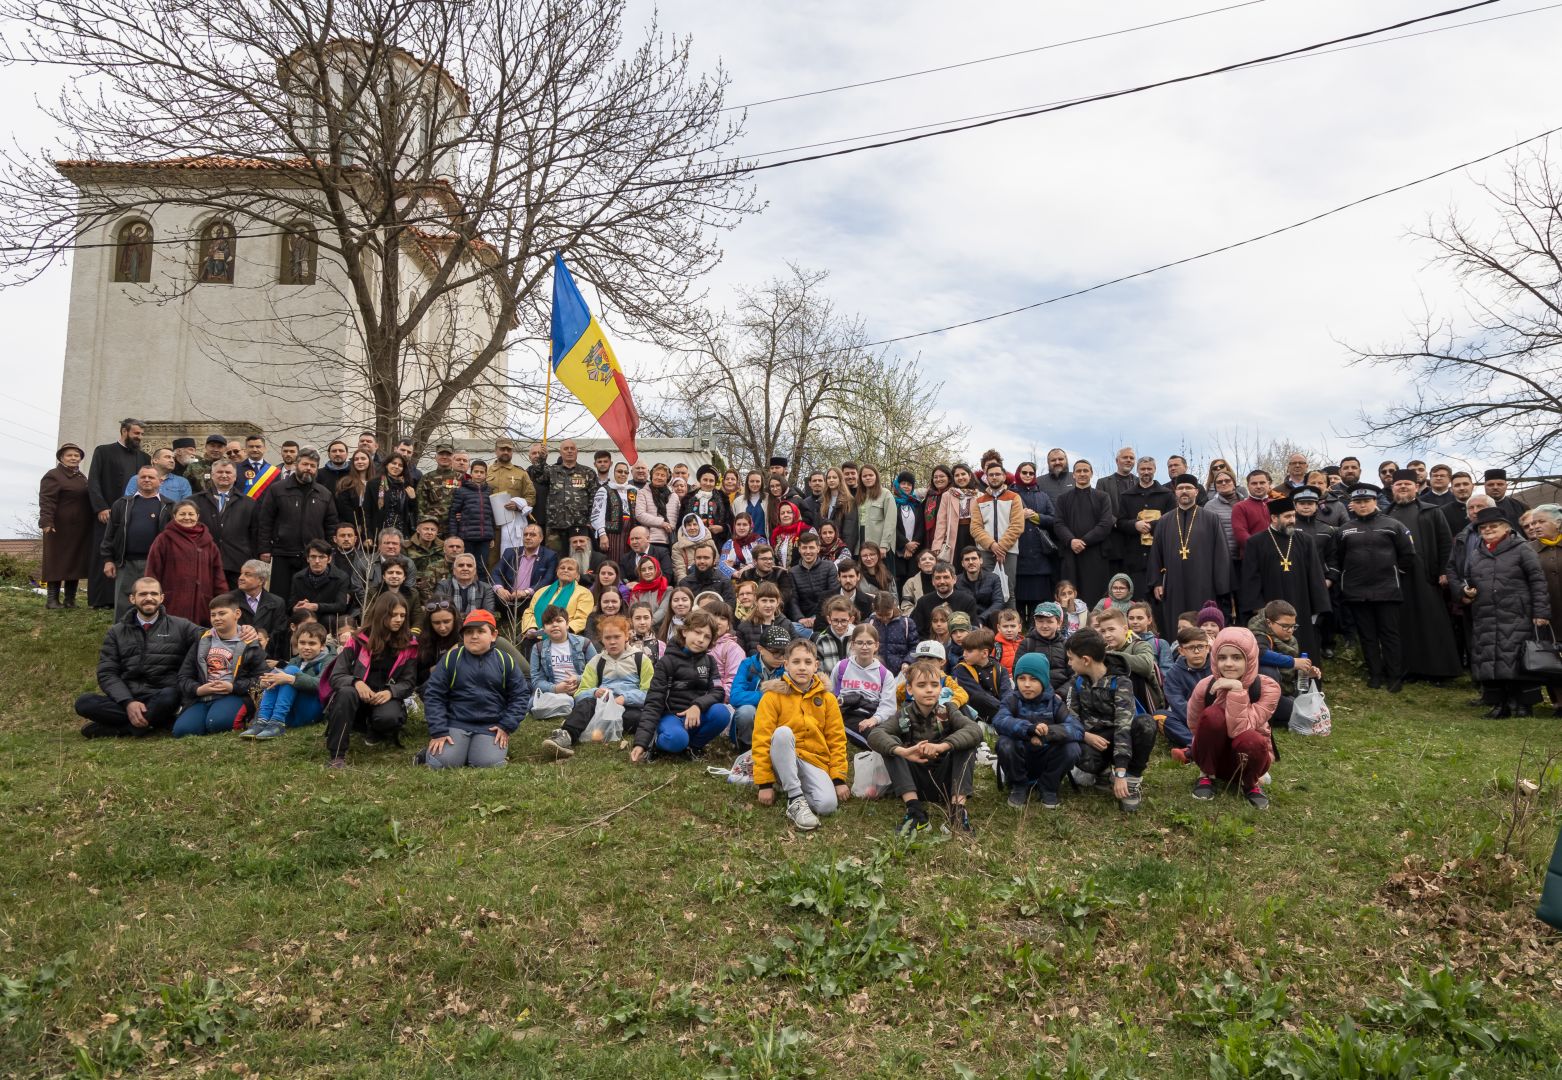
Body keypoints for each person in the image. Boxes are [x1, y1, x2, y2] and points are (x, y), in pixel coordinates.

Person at [1453, 506, 1552, 717]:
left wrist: (1541, 613)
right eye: (1483, 527)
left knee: (1518, 661)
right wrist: (1466, 592)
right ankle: (1500, 704)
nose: (1488, 530)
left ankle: (1523, 705)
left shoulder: (1522, 548)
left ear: (1506, 528)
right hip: (1486, 615)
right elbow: (1468, 579)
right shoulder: (1477, 553)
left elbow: (1538, 581)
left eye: (1493, 526)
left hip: (1517, 614)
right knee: (1492, 661)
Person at [75, 577, 204, 737]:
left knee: (170, 696)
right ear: (132, 598)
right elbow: (107, 673)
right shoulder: (116, 632)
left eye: (153, 594)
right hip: (127, 696)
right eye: (143, 594)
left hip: (163, 696)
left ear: (161, 598)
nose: (149, 598)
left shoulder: (181, 626)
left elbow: (210, 635)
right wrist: (128, 702)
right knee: (85, 703)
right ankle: (154, 723)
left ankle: (124, 729)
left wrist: (242, 630)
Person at [867, 656, 982, 835]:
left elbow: (975, 730)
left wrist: (943, 746)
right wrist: (904, 751)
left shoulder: (949, 710)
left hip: (946, 783)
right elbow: (875, 734)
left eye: (934, 685)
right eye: (921, 685)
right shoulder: (903, 714)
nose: (929, 690)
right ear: (910, 690)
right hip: (914, 782)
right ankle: (915, 813)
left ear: (941, 688)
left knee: (966, 743)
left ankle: (957, 814)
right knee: (891, 745)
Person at [752, 638, 851, 831]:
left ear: (816, 665)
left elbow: (837, 739)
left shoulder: (827, 699)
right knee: (783, 733)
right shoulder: (772, 697)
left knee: (827, 806)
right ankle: (795, 798)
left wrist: (838, 779)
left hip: (813, 760)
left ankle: (794, 786)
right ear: (786, 665)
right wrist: (764, 783)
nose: (802, 667)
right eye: (796, 662)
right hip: (782, 756)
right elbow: (761, 739)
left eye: (807, 662)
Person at [417, 610, 528, 770]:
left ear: (493, 635)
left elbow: (520, 695)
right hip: (455, 723)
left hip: (491, 725)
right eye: (469, 632)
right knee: (442, 763)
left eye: (480, 631)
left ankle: (478, 751)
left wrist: (506, 725)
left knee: (488, 764)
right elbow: (434, 695)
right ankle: (428, 754)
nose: (474, 636)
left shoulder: (506, 660)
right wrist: (439, 730)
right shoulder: (451, 658)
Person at [1332, 481, 1415, 691]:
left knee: (1390, 635)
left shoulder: (1393, 525)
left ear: (1375, 501)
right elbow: (1338, 558)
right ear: (1352, 504)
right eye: (1357, 502)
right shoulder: (1344, 530)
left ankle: (1394, 676)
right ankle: (1375, 674)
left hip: (1387, 590)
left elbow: (1407, 554)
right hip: (1357, 592)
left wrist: (1392, 571)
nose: (1362, 505)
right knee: (1367, 636)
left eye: (1366, 501)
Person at [1064, 627, 1156, 814]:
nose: (1069, 663)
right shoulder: (1077, 682)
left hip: (1121, 738)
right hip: (1094, 738)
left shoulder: (1121, 682)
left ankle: (1131, 779)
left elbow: (1124, 725)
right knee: (1079, 755)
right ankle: (1103, 772)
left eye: (1071, 658)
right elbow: (1070, 717)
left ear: (1086, 660)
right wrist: (1085, 735)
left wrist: (1121, 770)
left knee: (1145, 724)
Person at [323, 591, 419, 767]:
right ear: (382, 614)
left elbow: (409, 682)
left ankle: (375, 730)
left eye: (402, 615)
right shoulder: (357, 640)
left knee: (389, 717)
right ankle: (337, 755)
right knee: (345, 693)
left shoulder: (409, 645)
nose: (399, 619)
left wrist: (391, 692)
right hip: (356, 696)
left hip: (384, 697)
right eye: (393, 615)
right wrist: (356, 682)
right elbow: (336, 676)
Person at [1186, 627, 1278, 809]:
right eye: (1222, 657)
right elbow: (1195, 724)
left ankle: (1250, 784)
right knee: (1212, 715)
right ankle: (1206, 775)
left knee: (1252, 738)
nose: (1228, 664)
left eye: (1236, 657)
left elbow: (1240, 729)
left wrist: (1237, 690)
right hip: (1213, 759)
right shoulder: (1205, 686)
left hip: (1249, 759)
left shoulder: (1268, 688)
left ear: (1250, 659)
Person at [1384, 469, 1462, 681]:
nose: (1403, 488)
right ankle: (1409, 669)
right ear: (1392, 489)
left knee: (1432, 622)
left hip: (1426, 575)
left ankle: (1439, 670)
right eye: (1398, 485)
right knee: (1403, 623)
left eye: (1407, 485)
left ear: (1416, 487)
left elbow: (1446, 543)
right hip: (1397, 578)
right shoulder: (1385, 516)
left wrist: (1445, 571)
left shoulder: (1432, 511)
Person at [541, 615, 654, 759]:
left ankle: (580, 723)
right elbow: (580, 693)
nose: (612, 642)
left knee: (642, 718)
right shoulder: (596, 661)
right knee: (586, 704)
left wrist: (624, 698)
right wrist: (595, 692)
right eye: (607, 638)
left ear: (626, 636)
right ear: (602, 639)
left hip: (629, 709)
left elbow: (649, 693)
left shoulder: (641, 659)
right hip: (602, 707)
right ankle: (566, 736)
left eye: (616, 637)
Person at [1236, 495, 1331, 659]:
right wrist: (1257, 608)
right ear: (1274, 518)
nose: (1292, 520)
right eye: (1287, 517)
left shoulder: (1305, 540)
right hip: (1270, 606)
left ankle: (1306, 681)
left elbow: (1315, 575)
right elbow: (1251, 578)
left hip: (1301, 605)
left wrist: (1318, 607)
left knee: (1304, 645)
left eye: (1293, 515)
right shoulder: (1256, 542)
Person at [632, 609, 732, 760]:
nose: (700, 640)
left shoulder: (710, 662)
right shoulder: (666, 662)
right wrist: (641, 743)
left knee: (722, 712)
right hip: (671, 717)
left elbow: (718, 691)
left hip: (696, 716)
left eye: (707, 637)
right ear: (684, 632)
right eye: (697, 632)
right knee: (676, 739)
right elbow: (653, 703)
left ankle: (692, 747)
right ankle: (659, 743)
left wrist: (698, 706)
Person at [171, 591, 267, 736]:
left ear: (237, 614)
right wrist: (198, 689)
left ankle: (232, 716)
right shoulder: (201, 640)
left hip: (234, 695)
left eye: (222, 613)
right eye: (213, 615)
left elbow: (261, 679)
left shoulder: (251, 643)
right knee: (182, 731)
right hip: (203, 696)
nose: (217, 618)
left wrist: (233, 687)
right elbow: (184, 676)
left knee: (217, 724)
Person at [994, 651, 1081, 810]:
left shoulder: (1055, 703)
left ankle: (1048, 786)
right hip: (1019, 757)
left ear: (1044, 680)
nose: (1027, 684)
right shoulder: (1011, 700)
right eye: (1021, 678)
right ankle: (1018, 785)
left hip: (1046, 757)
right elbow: (1000, 720)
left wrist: (1047, 734)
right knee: (1004, 743)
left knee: (1072, 748)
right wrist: (1029, 730)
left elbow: (1076, 728)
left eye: (1034, 679)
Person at [258, 449, 338, 610]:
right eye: (305, 464)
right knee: (280, 599)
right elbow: (266, 521)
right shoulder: (277, 489)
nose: (308, 468)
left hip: (311, 557)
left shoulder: (324, 493)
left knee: (307, 600)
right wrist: (264, 548)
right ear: (296, 465)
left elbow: (331, 525)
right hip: (283, 553)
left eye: (313, 466)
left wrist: (330, 552)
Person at [87, 418, 150, 609]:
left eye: (141, 434)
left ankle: (126, 598)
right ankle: (101, 599)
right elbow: (94, 481)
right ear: (124, 431)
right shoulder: (103, 451)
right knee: (104, 554)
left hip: (133, 516)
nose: (139, 437)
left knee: (124, 556)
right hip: (107, 512)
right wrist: (101, 507)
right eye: (136, 433)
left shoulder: (144, 458)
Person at [101, 464, 174, 619]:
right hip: (126, 563)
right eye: (143, 477)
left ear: (160, 481)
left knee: (155, 602)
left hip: (156, 564)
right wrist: (108, 559)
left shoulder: (169, 506)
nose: (146, 480)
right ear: (137, 480)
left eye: (151, 477)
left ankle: (154, 637)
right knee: (124, 604)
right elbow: (110, 534)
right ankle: (122, 637)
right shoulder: (122, 504)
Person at [241, 620, 336, 738]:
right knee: (277, 674)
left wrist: (292, 679)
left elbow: (321, 685)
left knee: (291, 671)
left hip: (313, 709)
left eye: (312, 643)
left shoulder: (330, 660)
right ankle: (262, 721)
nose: (306, 647)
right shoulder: (296, 660)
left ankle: (277, 722)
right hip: (290, 711)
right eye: (302, 643)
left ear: (322, 646)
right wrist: (265, 683)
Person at [144, 499, 226, 625]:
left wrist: (222, 600)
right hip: (173, 604)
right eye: (182, 514)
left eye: (191, 514)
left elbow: (218, 575)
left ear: (197, 516)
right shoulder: (164, 539)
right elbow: (152, 571)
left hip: (203, 606)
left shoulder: (209, 543)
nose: (187, 518)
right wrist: (151, 597)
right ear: (174, 516)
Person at [39, 442, 93, 608]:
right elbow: (47, 500)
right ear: (61, 458)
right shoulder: (53, 475)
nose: (73, 458)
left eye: (76, 455)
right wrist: (47, 521)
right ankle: (52, 601)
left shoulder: (81, 477)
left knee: (75, 561)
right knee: (56, 561)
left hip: (79, 528)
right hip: (59, 527)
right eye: (69, 455)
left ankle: (70, 600)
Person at [1055, 460, 1115, 606]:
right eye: (1079, 471)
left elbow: (1106, 524)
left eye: (1085, 471)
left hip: (1096, 554)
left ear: (1091, 473)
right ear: (1073, 475)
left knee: (1095, 596)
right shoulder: (1063, 499)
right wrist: (1071, 541)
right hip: (1071, 553)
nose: (1082, 474)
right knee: (1070, 596)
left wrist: (1085, 541)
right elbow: (1058, 523)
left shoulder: (1102, 497)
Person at [192, 461, 258, 588]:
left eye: (228, 472)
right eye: (220, 472)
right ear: (212, 475)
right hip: (204, 561)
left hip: (237, 563)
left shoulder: (249, 503)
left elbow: (254, 533)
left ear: (235, 477)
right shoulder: (195, 501)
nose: (224, 475)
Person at [527, 605, 598, 724]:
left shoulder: (584, 643)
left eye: (559, 620)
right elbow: (536, 680)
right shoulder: (538, 648)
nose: (554, 625)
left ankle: (571, 705)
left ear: (567, 624)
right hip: (553, 691)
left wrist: (578, 679)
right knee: (532, 703)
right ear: (544, 629)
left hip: (582, 688)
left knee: (591, 697)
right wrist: (556, 688)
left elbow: (597, 671)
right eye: (549, 623)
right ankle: (570, 706)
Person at [1115, 456, 1174, 599]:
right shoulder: (1126, 496)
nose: (1146, 472)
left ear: (1154, 470)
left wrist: (1152, 525)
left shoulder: (1167, 495)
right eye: (1142, 469)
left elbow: (1173, 520)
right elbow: (1120, 522)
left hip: (1161, 556)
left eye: (1149, 469)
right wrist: (1135, 524)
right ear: (1137, 470)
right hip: (1135, 557)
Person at [830, 622, 899, 743]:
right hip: (847, 715)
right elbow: (829, 693)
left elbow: (889, 707)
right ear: (852, 645)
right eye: (860, 643)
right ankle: (887, 749)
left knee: (893, 735)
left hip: (873, 716)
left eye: (869, 643)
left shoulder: (885, 674)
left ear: (876, 645)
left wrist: (874, 720)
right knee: (875, 738)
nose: (864, 647)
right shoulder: (841, 667)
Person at [970, 460, 1026, 601]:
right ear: (986, 478)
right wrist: (992, 545)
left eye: (997, 474)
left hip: (1009, 552)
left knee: (1008, 591)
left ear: (1003, 476)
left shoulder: (1014, 497)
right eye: (991, 475)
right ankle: (989, 622)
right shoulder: (979, 501)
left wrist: (1001, 547)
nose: (994, 477)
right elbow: (975, 528)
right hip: (985, 551)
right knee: (985, 591)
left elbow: (1017, 525)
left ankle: (1009, 623)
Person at [1010, 461, 1058, 618]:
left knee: (1038, 600)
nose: (1028, 476)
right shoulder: (1010, 495)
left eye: (1031, 473)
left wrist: (1036, 516)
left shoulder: (1042, 496)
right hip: (1017, 552)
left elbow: (1053, 519)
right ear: (1018, 473)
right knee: (1017, 599)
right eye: (1024, 472)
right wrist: (1019, 516)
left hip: (1039, 557)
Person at [1162, 625, 1211, 753]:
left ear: (1208, 648)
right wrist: (1199, 722)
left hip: (1216, 718)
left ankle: (1198, 747)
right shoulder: (1173, 674)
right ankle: (1198, 745)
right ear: (1181, 651)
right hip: (1189, 720)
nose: (1196, 651)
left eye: (1200, 646)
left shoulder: (1218, 666)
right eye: (1190, 648)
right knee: (1160, 716)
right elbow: (1178, 704)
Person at [520, 556, 595, 635]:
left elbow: (582, 618)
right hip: (536, 636)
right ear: (557, 572)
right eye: (562, 568)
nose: (565, 570)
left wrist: (562, 629)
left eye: (570, 569)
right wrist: (531, 628)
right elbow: (529, 612)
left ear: (577, 575)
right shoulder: (542, 591)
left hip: (566, 636)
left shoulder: (584, 593)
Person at [951, 627, 1012, 724]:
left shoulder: (1000, 669)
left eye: (969, 651)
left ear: (984, 653)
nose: (964, 654)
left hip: (999, 709)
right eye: (964, 650)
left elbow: (1006, 692)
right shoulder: (961, 669)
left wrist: (1008, 707)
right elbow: (978, 696)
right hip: (975, 714)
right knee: (977, 698)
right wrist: (1004, 710)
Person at [234, 559, 291, 661]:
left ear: (261, 580)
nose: (241, 578)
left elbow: (278, 633)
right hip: (236, 654)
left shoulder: (277, 602)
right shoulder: (229, 600)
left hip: (267, 656)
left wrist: (263, 644)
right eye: (241, 574)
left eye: (247, 574)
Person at [289, 538, 352, 630]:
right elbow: (291, 605)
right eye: (313, 557)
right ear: (307, 558)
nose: (317, 561)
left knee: (329, 619)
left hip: (327, 619)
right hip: (305, 617)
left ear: (329, 559)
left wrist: (316, 606)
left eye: (321, 557)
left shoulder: (341, 577)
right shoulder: (298, 577)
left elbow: (341, 606)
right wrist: (296, 608)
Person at [447, 459, 497, 572]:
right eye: (476, 471)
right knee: (466, 566)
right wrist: (453, 536)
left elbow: (491, 514)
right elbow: (454, 514)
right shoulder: (462, 491)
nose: (479, 474)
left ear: (486, 474)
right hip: (466, 537)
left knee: (482, 568)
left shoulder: (489, 491)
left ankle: (482, 589)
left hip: (484, 538)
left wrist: (492, 535)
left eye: (482, 472)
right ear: (471, 473)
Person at [910, 561, 979, 637]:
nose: (942, 581)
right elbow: (916, 631)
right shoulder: (923, 602)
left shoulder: (967, 601)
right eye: (938, 578)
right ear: (933, 581)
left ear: (954, 579)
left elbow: (973, 630)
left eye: (946, 577)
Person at [931, 463, 978, 564]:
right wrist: (937, 544)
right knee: (956, 565)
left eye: (963, 474)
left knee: (973, 563)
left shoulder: (978, 495)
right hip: (954, 536)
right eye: (957, 475)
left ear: (969, 476)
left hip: (974, 534)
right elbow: (941, 522)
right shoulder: (947, 496)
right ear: (953, 478)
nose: (960, 477)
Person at [368, 453, 419, 541]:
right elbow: (368, 511)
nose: (396, 467)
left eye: (400, 465)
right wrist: (369, 536)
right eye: (393, 463)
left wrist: (413, 499)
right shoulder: (375, 484)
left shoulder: (406, 485)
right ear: (387, 464)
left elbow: (412, 511)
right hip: (380, 531)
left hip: (401, 532)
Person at [955, 546, 1006, 627]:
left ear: (981, 560)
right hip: (964, 620)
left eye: (974, 558)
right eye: (967, 559)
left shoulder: (993, 578)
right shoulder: (956, 581)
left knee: (996, 614)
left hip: (988, 619)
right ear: (962, 563)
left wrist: (981, 618)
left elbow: (998, 602)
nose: (971, 562)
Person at [1231, 470, 1275, 557]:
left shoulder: (1278, 504)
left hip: (1278, 557)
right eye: (1254, 483)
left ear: (1268, 484)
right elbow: (1241, 534)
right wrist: (1262, 549)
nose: (1258, 486)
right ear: (1248, 486)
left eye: (1262, 483)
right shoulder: (1239, 507)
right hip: (1252, 557)